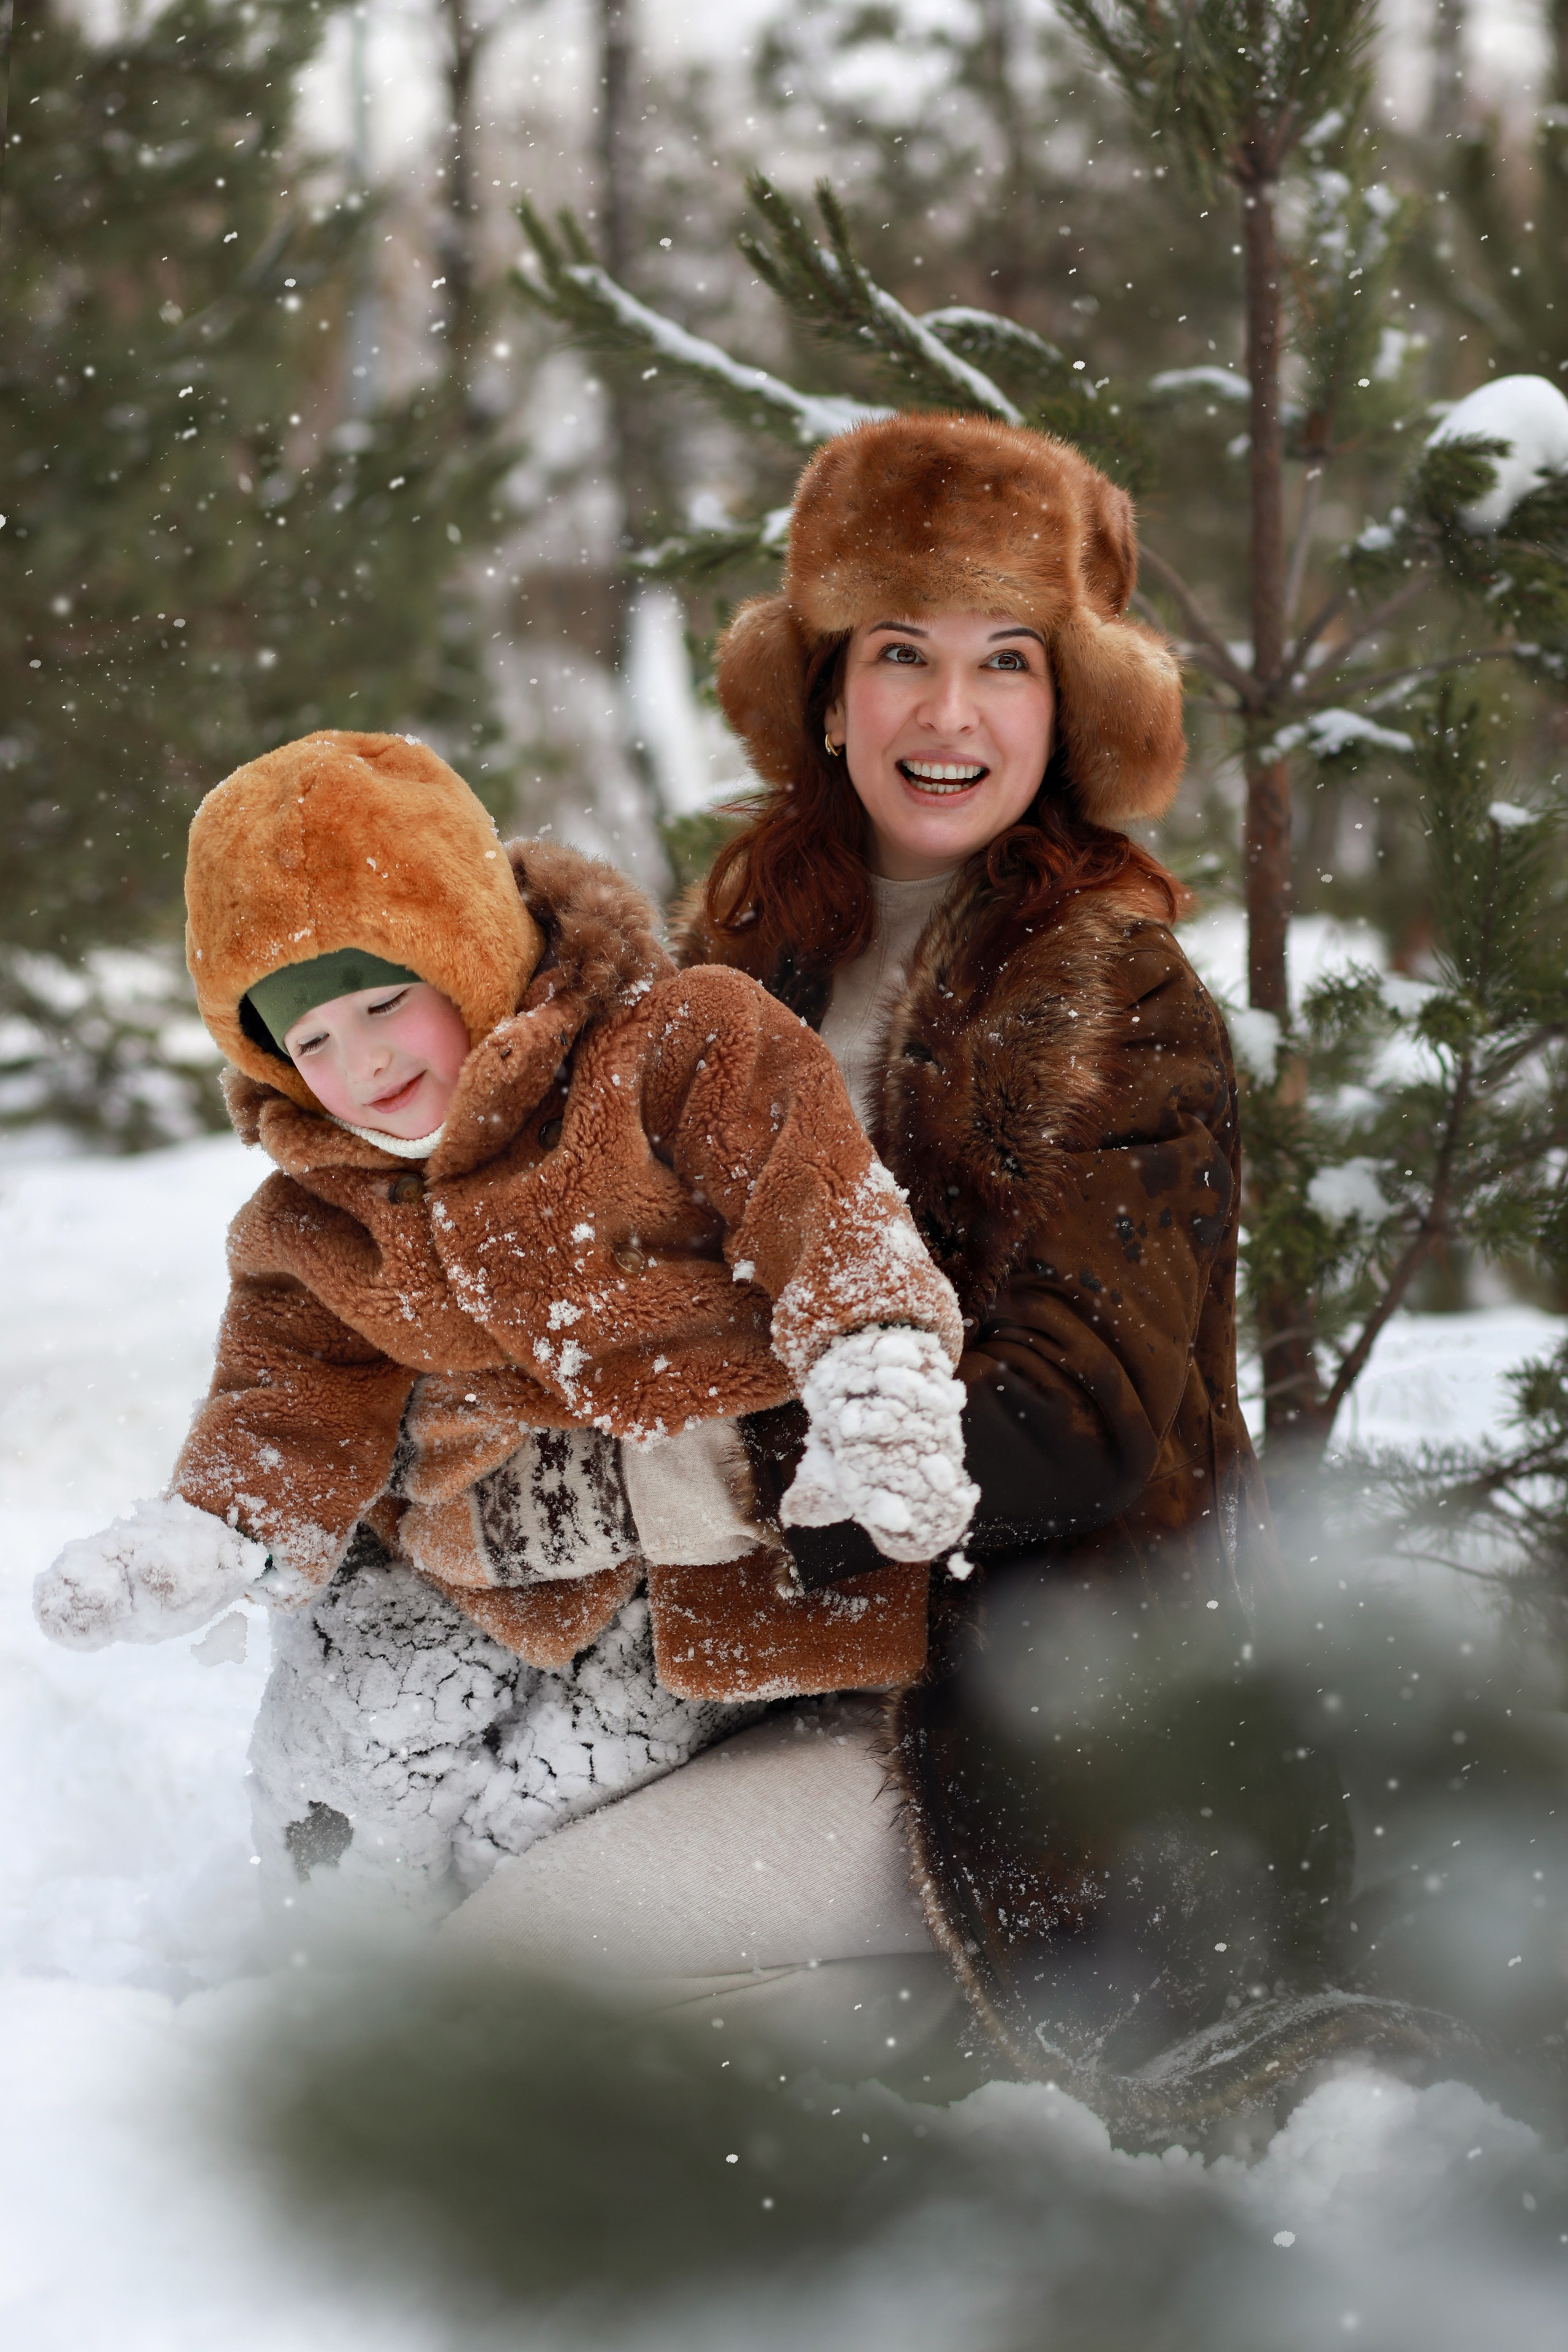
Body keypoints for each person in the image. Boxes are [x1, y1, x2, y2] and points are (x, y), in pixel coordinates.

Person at [446, 413, 1276, 2093]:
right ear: (827, 694)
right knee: (460, 1924)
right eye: (901, 652)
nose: (950, 715)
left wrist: (700, 1478)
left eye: (1007, 662)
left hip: (1021, 1709)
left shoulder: (1115, 1000)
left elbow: (1076, 1429)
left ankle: (991, 2102)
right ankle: (936, 2091)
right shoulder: (747, 965)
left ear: (1073, 707)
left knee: (510, 1979)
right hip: (752, 1664)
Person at [32, 727, 975, 1910]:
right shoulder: (319, 1207)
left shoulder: (679, 1049)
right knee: (350, 1778)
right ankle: (343, 1966)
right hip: (467, 1571)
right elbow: (289, 1393)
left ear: (472, 954)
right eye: (309, 1041)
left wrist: (873, 1373)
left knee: (539, 1828)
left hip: (706, 1574)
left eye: (385, 1000)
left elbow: (818, 1202)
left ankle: (510, 2005)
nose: (363, 1062)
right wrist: (212, 1529)